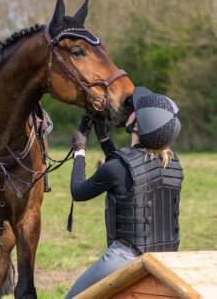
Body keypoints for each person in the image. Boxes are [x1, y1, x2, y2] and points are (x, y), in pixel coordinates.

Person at [65, 86, 183, 298]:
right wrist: (104, 141)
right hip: (167, 256)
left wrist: (79, 151)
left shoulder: (117, 167)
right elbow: (130, 176)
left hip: (128, 256)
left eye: (134, 112)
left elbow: (78, 192)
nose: (130, 112)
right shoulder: (173, 163)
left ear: (139, 125)